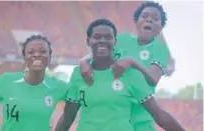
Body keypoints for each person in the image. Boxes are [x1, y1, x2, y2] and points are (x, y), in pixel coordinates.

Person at [55, 19, 185, 131]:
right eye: (97, 37)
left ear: (115, 41)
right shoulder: (79, 74)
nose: (102, 41)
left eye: (108, 37)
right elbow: (67, 118)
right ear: (88, 41)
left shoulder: (130, 74)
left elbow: (158, 114)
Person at [79, 1, 173, 131]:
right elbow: (98, 52)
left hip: (141, 120)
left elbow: (154, 78)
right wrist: (83, 61)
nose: (149, 20)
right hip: (116, 116)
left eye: (155, 19)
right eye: (144, 16)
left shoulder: (159, 48)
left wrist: (131, 62)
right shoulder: (123, 39)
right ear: (136, 21)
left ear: (161, 27)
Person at [0, 35, 68, 131]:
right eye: (31, 52)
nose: (37, 55)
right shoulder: (7, 81)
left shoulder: (58, 86)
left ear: (49, 57)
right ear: (25, 58)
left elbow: (81, 98)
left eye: (43, 51)